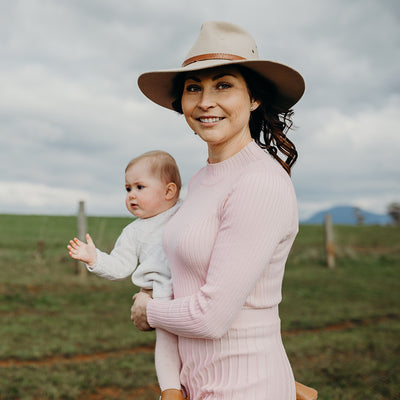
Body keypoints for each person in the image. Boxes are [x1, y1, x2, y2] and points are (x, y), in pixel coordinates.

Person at [131, 21, 318, 400]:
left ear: (254, 98)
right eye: (193, 87)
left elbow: (211, 317)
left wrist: (147, 310)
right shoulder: (200, 180)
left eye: (224, 84)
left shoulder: (260, 182)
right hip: (197, 383)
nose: (204, 101)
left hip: (245, 386)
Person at [67, 150, 186, 400]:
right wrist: (95, 258)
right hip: (159, 299)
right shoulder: (134, 232)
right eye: (127, 188)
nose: (131, 195)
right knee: (166, 347)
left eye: (140, 187)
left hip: (190, 293)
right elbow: (121, 266)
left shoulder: (187, 212)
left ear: (169, 191)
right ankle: (171, 390)